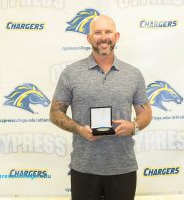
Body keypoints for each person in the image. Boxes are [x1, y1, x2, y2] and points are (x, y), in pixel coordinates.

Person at [50, 15, 152, 200]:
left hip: (123, 166)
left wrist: (134, 126)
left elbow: (145, 112)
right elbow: (55, 112)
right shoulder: (71, 73)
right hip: (84, 167)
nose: (103, 37)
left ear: (117, 36)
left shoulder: (133, 74)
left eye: (108, 32)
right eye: (97, 32)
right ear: (89, 38)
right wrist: (79, 129)